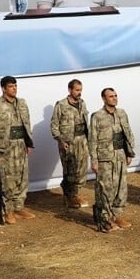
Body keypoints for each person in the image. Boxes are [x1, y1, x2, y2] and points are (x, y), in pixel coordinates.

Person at [0, 75, 35, 224]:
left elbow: (27, 123)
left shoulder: (22, 103)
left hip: (20, 145)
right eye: (11, 86)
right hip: (4, 149)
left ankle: (19, 207)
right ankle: (8, 211)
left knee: (22, 177)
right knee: (6, 180)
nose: (14, 88)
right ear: (3, 89)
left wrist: (28, 142)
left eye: (15, 86)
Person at [89, 88, 135, 232]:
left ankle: (115, 215)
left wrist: (129, 152)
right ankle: (104, 219)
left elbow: (127, 133)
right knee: (105, 189)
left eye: (115, 96)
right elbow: (92, 140)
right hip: (105, 158)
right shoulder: (97, 116)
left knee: (121, 187)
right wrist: (94, 160)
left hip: (120, 154)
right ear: (104, 99)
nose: (114, 98)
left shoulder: (122, 113)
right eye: (111, 96)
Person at [50, 79, 90, 209]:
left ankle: (75, 193)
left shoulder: (82, 103)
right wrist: (60, 140)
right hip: (68, 143)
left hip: (82, 140)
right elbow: (54, 125)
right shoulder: (61, 105)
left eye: (80, 90)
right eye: (77, 90)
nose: (79, 93)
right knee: (70, 169)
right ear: (70, 90)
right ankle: (69, 195)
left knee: (82, 168)